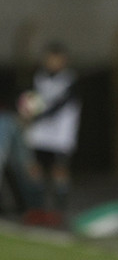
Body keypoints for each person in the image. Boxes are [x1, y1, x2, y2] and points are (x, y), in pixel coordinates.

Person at [19, 41, 81, 226]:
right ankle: (36, 209)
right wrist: (25, 108)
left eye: (57, 59)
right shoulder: (38, 78)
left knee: (59, 171)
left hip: (60, 136)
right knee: (35, 170)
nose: (53, 63)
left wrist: (37, 115)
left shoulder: (70, 80)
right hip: (39, 135)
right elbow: (27, 97)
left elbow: (60, 105)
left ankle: (59, 212)